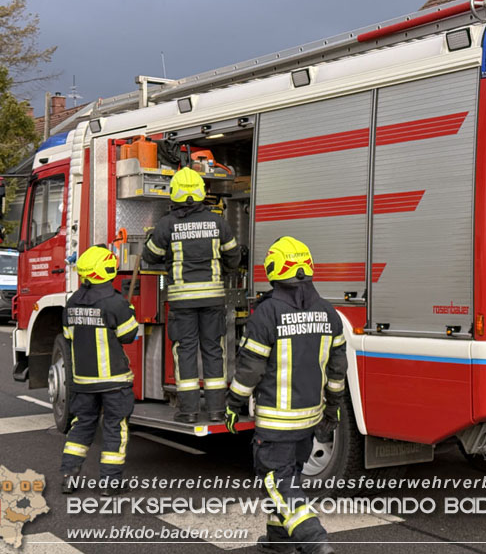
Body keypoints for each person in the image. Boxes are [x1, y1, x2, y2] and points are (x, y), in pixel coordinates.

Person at [225, 236, 346, 554]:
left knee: (275, 480)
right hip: (309, 420)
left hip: (277, 422)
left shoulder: (267, 313)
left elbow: (250, 369)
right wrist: (332, 408)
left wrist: (233, 404)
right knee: (289, 477)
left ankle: (314, 539)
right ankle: (279, 540)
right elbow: (337, 371)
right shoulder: (329, 313)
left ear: (274, 269)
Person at [142, 167, 240, 423]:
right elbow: (234, 256)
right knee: (213, 350)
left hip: (182, 302)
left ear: (174, 193)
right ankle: (217, 410)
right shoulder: (218, 222)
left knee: (185, 352)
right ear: (201, 192)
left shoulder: (167, 224)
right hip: (213, 299)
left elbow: (150, 255)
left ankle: (188, 411)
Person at [60, 246, 139, 495]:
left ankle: (69, 478)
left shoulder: (72, 301)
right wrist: (130, 314)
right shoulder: (116, 302)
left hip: (83, 381)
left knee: (81, 425)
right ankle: (109, 484)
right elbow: (128, 336)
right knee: (115, 428)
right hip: (114, 381)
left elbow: (68, 335)